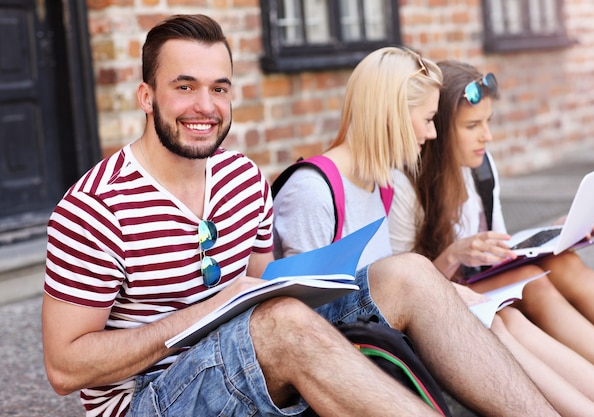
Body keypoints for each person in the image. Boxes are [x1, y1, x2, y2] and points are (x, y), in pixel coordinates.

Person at [40, 16, 557, 417]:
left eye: (219, 88)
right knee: (283, 324)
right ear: (146, 97)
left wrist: (314, 283)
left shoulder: (242, 177)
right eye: (184, 86)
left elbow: (263, 281)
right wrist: (209, 311)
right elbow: (64, 368)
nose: (205, 105)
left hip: (244, 359)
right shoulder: (93, 208)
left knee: (410, 273)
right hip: (152, 399)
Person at [272, 46, 594, 416]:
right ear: (391, 116)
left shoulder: (379, 184)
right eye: (427, 119)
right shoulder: (312, 189)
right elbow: (301, 321)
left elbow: (384, 282)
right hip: (349, 348)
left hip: (383, 325)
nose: (433, 132)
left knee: (497, 317)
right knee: (491, 325)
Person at [388, 59, 594, 388]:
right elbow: (400, 288)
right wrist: (455, 254)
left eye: (487, 122)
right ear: (437, 131)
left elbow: (500, 243)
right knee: (532, 280)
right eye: (472, 126)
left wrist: (552, 235)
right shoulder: (404, 185)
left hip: (479, 280)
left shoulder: (480, 168)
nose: (486, 136)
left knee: (565, 262)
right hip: (438, 300)